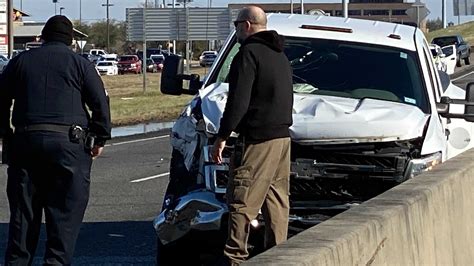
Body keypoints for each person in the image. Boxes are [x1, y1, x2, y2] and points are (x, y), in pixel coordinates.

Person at [0, 15, 111, 265]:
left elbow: (0, 100)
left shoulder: (19, 62)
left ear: (43, 38)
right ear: (71, 40)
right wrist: (99, 137)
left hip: (25, 142)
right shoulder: (81, 65)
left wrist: (7, 136)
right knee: (64, 219)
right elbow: (100, 104)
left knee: (23, 219)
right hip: (69, 146)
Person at [211, 6, 293, 265]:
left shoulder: (248, 53)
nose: (235, 30)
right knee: (277, 201)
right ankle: (279, 255)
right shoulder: (279, 55)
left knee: (242, 200)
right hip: (282, 138)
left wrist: (222, 135)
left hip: (258, 139)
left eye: (236, 25)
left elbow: (238, 101)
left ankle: (235, 257)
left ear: (246, 25)